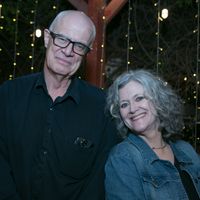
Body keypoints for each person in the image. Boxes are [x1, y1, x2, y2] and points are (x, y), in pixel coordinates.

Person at [0, 10, 119, 200]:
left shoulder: (102, 107)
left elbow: (98, 179)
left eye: (79, 45)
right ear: (47, 38)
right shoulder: (9, 94)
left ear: (86, 53)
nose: (68, 51)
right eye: (62, 39)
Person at [105, 69, 200, 200]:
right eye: (124, 104)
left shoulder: (186, 151)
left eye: (139, 98)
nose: (132, 109)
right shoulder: (123, 157)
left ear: (158, 100)